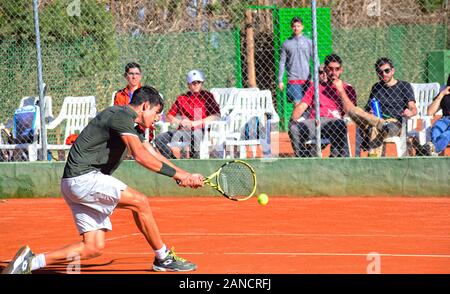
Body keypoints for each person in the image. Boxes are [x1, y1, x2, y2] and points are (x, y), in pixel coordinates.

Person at [2, 86, 204, 274]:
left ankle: (30, 262)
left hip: (74, 183)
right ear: (145, 106)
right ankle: (163, 257)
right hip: (84, 178)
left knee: (93, 247)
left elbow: (150, 151)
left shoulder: (130, 123)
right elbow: (140, 156)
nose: (158, 118)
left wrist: (184, 175)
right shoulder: (121, 115)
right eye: (156, 111)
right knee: (140, 202)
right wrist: (179, 176)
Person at [340, 57, 417, 157]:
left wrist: (409, 112)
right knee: (353, 110)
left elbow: (413, 108)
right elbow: (367, 110)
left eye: (387, 71)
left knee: (374, 129)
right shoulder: (376, 87)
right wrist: (370, 112)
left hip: (394, 123)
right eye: (380, 72)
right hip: (376, 120)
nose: (384, 74)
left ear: (393, 71)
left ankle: (373, 159)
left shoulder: (404, 85)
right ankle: (381, 124)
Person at [288, 54, 356, 157]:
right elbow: (303, 105)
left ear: (341, 70)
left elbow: (350, 111)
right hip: (315, 122)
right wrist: (292, 121)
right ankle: (304, 160)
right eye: (330, 69)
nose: (333, 73)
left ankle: (335, 160)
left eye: (337, 69)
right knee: (294, 129)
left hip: (334, 122)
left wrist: (341, 90)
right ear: (325, 69)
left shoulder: (347, 88)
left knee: (340, 125)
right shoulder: (315, 87)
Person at [154, 70, 220, 159]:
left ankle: (195, 162)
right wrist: (180, 122)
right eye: (193, 83)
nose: (196, 85)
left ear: (202, 83)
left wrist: (196, 123)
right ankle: (172, 162)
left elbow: (216, 115)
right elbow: (169, 117)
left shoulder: (207, 96)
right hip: (182, 131)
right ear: (188, 85)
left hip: (201, 131)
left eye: (198, 82)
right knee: (159, 139)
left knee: (196, 135)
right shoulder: (182, 98)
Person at [278, 16, 312, 106]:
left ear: (302, 27)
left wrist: (316, 76)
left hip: (307, 79)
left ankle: (297, 120)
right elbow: (282, 62)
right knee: (297, 105)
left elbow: (315, 59)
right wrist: (280, 80)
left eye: (298, 26)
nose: (296, 28)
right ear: (291, 27)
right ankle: (295, 120)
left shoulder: (309, 42)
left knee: (308, 106)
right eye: (294, 26)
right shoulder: (286, 43)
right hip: (293, 80)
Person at [424, 74, 450, 155]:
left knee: (447, 134)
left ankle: (430, 149)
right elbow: (430, 112)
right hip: (445, 119)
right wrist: (441, 94)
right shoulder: (445, 89)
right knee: (435, 130)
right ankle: (432, 150)